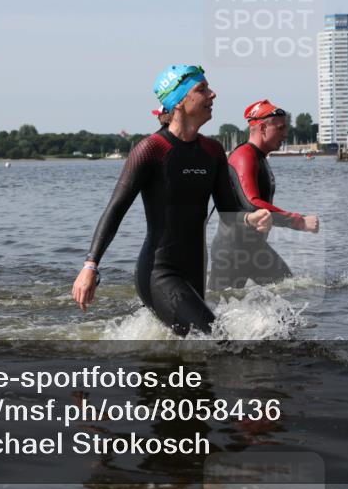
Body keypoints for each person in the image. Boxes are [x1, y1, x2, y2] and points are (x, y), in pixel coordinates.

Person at [71, 65, 272, 336]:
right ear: (178, 102)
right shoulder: (151, 149)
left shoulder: (211, 151)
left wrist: (250, 217)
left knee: (198, 360)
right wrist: (90, 266)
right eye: (202, 89)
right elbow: (116, 209)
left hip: (195, 271)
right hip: (159, 273)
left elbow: (228, 210)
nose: (213, 94)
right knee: (218, 339)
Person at [208, 100, 320, 291]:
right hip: (233, 252)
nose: (286, 134)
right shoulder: (244, 156)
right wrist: (298, 221)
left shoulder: (258, 157)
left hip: (254, 249)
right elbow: (252, 204)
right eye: (280, 128)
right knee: (216, 309)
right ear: (262, 128)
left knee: (291, 292)